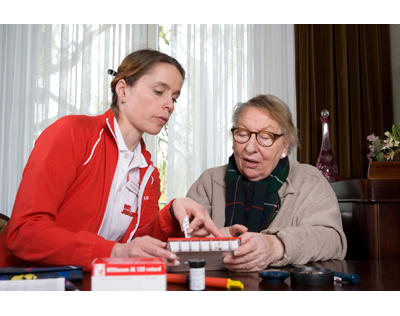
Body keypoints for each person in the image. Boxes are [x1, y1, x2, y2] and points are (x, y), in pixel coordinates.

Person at [0, 49, 221, 271]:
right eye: (158, 91)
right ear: (122, 89)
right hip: (27, 282)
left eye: (174, 98)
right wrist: (115, 252)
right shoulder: (72, 133)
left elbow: (137, 244)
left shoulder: (149, 174)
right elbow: (24, 233)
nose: (169, 105)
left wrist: (172, 212)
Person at [186, 94, 347, 272]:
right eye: (242, 134)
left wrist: (274, 245)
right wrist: (213, 243)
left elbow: (333, 240)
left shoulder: (310, 181)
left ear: (285, 145)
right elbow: (180, 240)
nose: (250, 147)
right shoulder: (209, 181)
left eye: (265, 137)